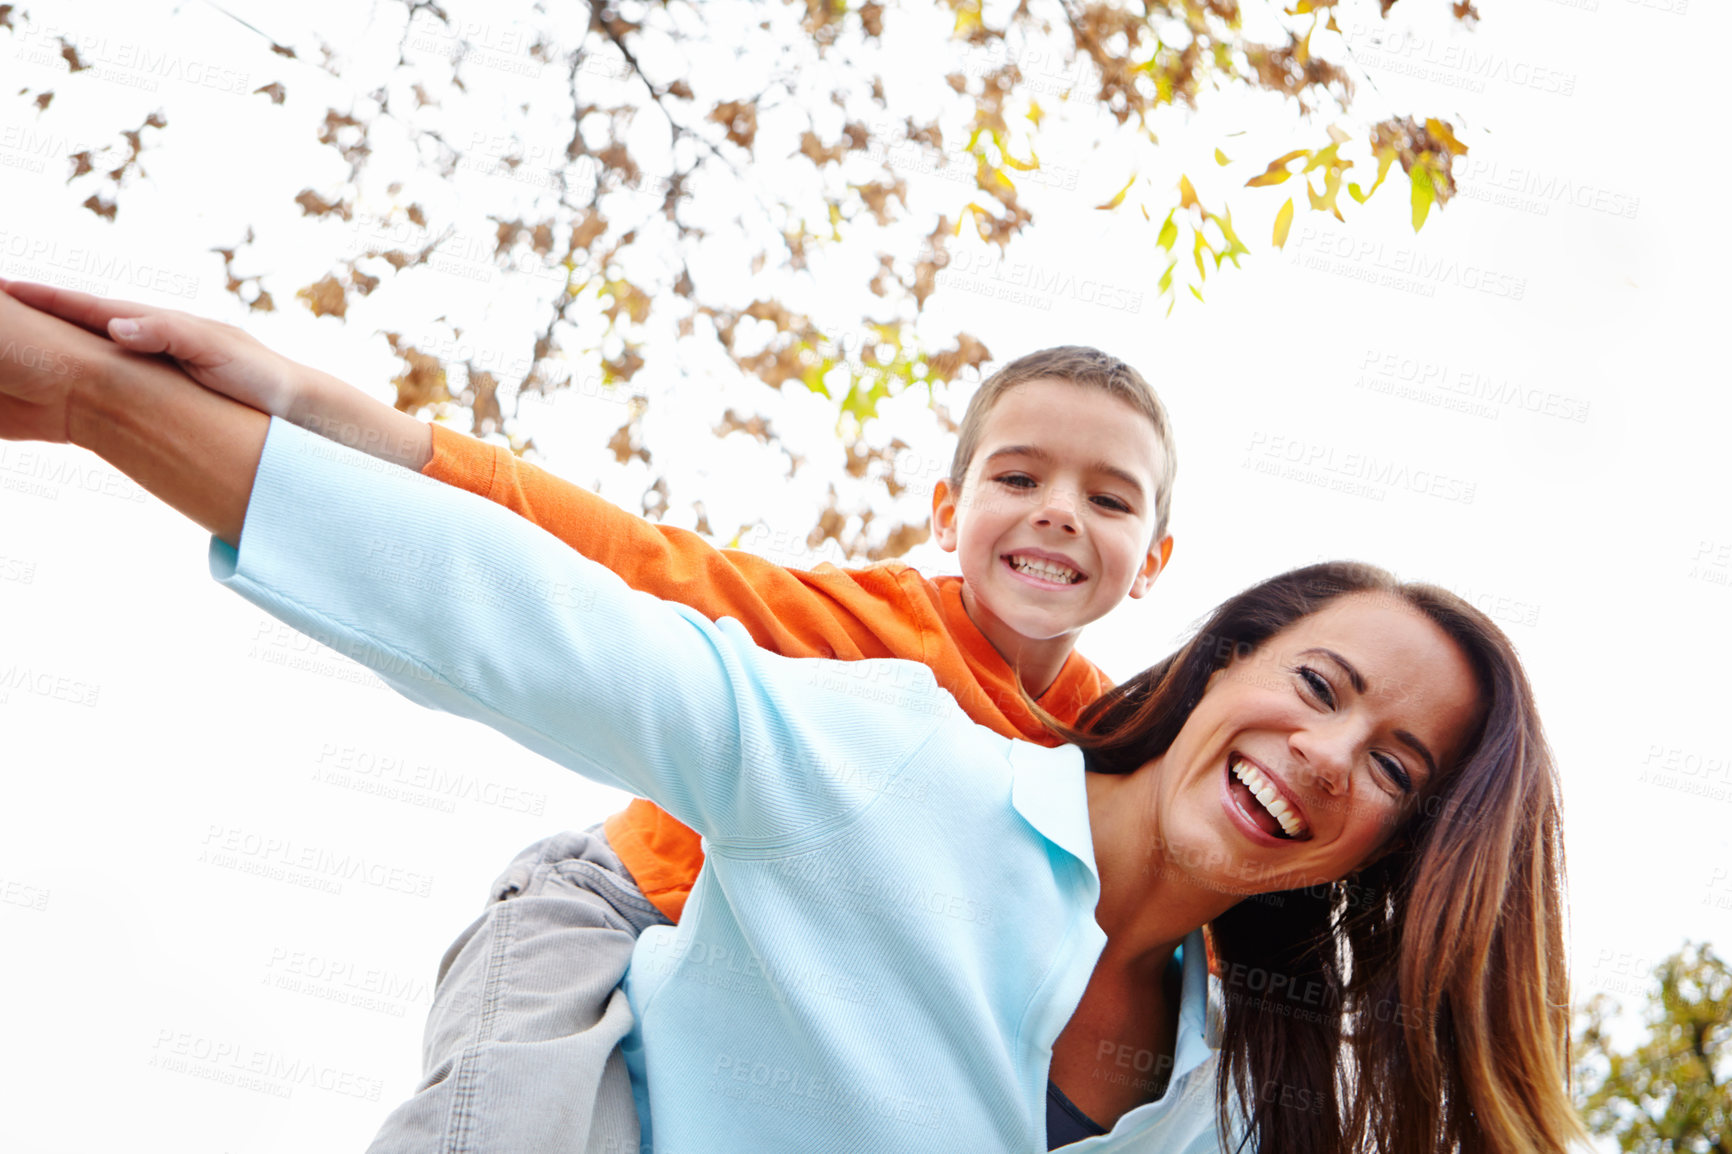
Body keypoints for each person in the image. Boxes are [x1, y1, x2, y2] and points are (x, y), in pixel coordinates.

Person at [0, 287, 1584, 1153]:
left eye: (1393, 766)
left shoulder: (1230, 1067)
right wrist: (152, 405)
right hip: (616, 903)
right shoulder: (883, 717)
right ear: (1228, 658)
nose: (1323, 756)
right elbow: (563, 589)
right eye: (1319, 685)